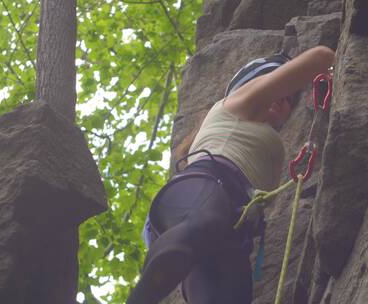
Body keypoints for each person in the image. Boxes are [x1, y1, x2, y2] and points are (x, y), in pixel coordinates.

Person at [127, 46, 335, 304]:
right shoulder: (234, 104)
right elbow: (321, 57)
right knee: (206, 221)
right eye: (280, 88)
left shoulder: (251, 131)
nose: (285, 99)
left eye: (291, 98)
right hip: (202, 194)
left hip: (229, 232)